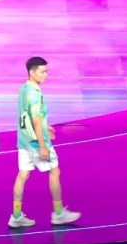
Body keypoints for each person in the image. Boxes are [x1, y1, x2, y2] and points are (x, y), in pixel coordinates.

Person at [9, 57, 81, 228]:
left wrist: (44, 125)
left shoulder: (24, 89)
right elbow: (35, 119)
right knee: (55, 171)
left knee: (23, 175)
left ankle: (16, 216)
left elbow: (27, 115)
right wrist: (42, 146)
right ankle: (58, 214)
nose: (46, 75)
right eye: (42, 72)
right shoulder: (35, 94)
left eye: (46, 71)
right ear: (32, 72)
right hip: (37, 143)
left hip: (24, 141)